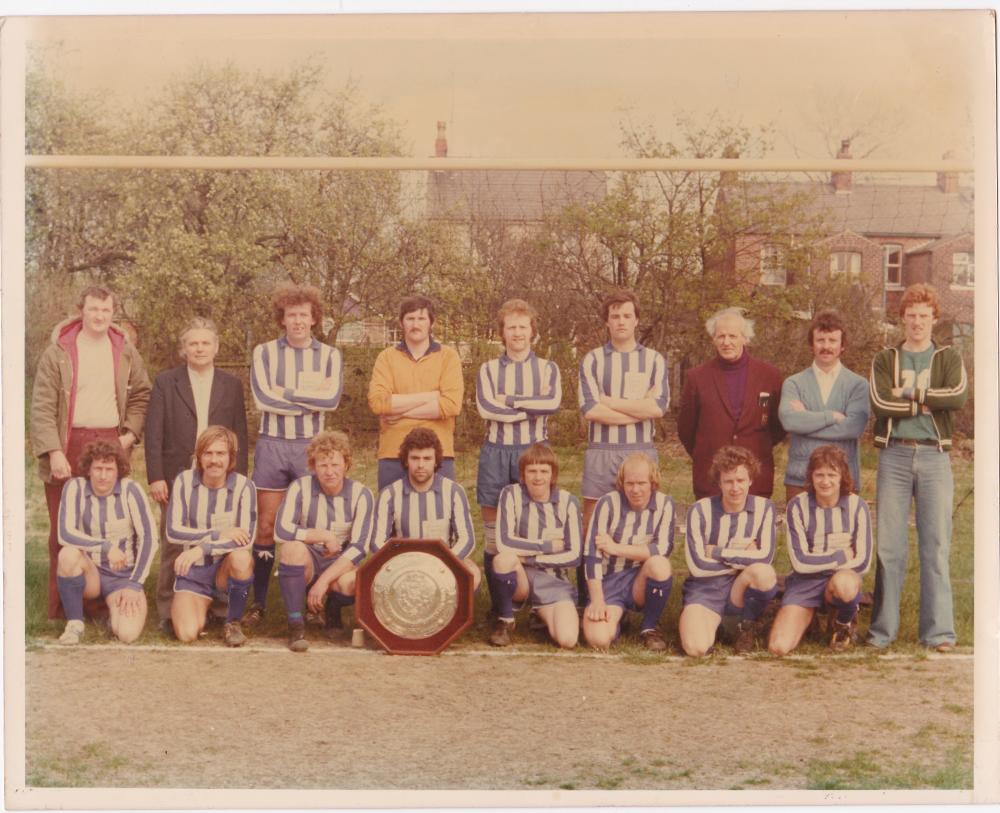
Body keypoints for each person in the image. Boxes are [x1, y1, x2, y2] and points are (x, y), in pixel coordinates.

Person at [30, 285, 151, 619]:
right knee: (63, 528)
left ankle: (103, 598)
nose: (100, 316)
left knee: (112, 523)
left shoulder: (124, 350)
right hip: (69, 441)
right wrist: (54, 451)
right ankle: (62, 609)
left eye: (106, 310)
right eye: (94, 309)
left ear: (113, 313)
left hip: (111, 439)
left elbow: (142, 393)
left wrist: (128, 436)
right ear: (80, 311)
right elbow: (41, 406)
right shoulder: (59, 351)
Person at [867, 283, 968, 652]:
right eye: (911, 316)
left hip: (934, 456)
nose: (917, 323)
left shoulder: (947, 357)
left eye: (924, 316)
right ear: (902, 318)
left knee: (935, 545)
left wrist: (910, 394)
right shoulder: (885, 358)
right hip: (894, 454)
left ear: (934, 319)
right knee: (890, 546)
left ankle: (938, 632)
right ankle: (882, 631)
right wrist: (923, 407)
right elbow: (880, 402)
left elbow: (956, 396)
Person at [144, 316, 248, 637]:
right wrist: (156, 476)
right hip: (177, 472)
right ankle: (167, 606)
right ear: (183, 349)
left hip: (219, 471)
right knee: (174, 539)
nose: (199, 348)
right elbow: (153, 433)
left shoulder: (231, 385)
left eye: (205, 343)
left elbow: (240, 432)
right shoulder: (166, 382)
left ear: (215, 347)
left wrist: (237, 479)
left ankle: (219, 606)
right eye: (193, 343)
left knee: (220, 534)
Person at [246, 283, 342, 626]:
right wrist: (306, 397)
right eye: (291, 315)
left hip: (310, 447)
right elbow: (263, 400)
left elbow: (330, 401)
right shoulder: (264, 352)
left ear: (314, 318)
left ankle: (314, 602)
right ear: (282, 319)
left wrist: (285, 391)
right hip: (272, 443)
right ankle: (258, 602)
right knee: (267, 525)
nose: (298, 320)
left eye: (304, 314)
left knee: (312, 524)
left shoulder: (330, 356)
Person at [578, 289, 669, 605]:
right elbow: (591, 409)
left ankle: (640, 598)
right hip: (601, 450)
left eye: (626, 315)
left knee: (641, 522)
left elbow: (657, 408)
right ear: (606, 321)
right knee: (591, 525)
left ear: (637, 320)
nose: (620, 321)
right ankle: (588, 598)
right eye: (614, 316)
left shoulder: (654, 360)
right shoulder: (592, 359)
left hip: (640, 450)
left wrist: (611, 402)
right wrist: (636, 406)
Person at [475, 298, 562, 617]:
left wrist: (509, 402)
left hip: (534, 452)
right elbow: (486, 408)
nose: (517, 333)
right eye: (511, 327)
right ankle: (501, 606)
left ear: (532, 331)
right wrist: (529, 405)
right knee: (494, 530)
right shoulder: (488, 369)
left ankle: (542, 603)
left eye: (522, 326)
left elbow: (552, 403)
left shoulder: (547, 368)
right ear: (502, 332)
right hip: (496, 452)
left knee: (538, 524)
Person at [274, 431, 375, 652]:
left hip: (338, 564)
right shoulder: (300, 487)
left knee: (353, 582)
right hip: (309, 559)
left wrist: (323, 583)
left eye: (335, 464)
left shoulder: (361, 494)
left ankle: (332, 610)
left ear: (347, 464)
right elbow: (281, 529)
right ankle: (296, 624)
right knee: (291, 549)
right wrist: (322, 535)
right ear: (313, 466)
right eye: (323, 465)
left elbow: (359, 547)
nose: (329, 472)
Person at [768, 445, 873, 656]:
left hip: (840, 579)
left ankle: (843, 623)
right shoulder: (797, 506)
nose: (825, 481)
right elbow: (799, 562)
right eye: (819, 475)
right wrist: (840, 556)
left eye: (831, 475)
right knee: (778, 647)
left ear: (842, 475)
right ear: (811, 476)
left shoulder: (857, 506)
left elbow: (863, 562)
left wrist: (826, 563)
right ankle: (810, 620)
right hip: (805, 581)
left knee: (845, 584)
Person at [55, 440, 157, 645]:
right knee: (67, 554)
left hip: (122, 576)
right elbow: (64, 534)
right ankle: (75, 623)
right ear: (88, 469)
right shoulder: (74, 487)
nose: (103, 475)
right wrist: (105, 546)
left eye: (109, 469)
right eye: (98, 468)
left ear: (118, 470)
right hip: (90, 572)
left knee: (127, 635)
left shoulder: (131, 490)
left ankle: (113, 613)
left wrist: (135, 584)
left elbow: (150, 539)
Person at [679, 446, 778, 656]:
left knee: (763, 573)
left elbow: (765, 557)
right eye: (728, 481)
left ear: (750, 480)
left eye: (741, 480)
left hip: (739, 588)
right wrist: (745, 555)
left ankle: (747, 624)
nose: (735, 488)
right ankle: (722, 626)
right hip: (705, 589)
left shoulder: (765, 508)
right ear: (719, 482)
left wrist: (718, 552)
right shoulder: (700, 510)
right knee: (696, 648)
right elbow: (697, 566)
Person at [677, 307, 785, 500]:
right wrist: (709, 453)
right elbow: (686, 430)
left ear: (745, 338)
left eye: (733, 336)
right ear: (713, 339)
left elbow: (777, 427)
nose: (726, 342)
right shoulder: (696, 378)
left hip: (755, 479)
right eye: (721, 336)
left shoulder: (770, 376)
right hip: (711, 479)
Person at [166, 426, 257, 646]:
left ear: (231, 457)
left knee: (242, 557)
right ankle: (205, 608)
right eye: (208, 453)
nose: (214, 460)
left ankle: (232, 621)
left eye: (220, 454)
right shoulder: (184, 481)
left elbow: (247, 538)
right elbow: (173, 531)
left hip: (224, 570)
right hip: (194, 571)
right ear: (199, 457)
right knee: (187, 634)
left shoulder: (245, 486)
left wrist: (203, 548)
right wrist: (217, 534)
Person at [490, 443, 582, 649]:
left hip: (553, 581)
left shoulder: (568, 502)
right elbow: (504, 542)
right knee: (503, 559)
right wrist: (546, 545)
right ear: (522, 474)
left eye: (544, 471)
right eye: (531, 471)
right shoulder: (510, 494)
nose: (538, 477)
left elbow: (574, 555)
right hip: (520, 577)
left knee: (567, 640)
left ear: (553, 475)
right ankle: (506, 619)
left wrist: (531, 558)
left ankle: (540, 615)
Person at [368, 295, 463, 491]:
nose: (415, 324)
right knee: (391, 517)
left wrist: (400, 412)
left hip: (439, 453)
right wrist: (432, 395)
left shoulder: (448, 357)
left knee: (440, 516)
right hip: (393, 451)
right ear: (401, 322)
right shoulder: (386, 358)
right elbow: (379, 403)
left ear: (431, 323)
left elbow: (451, 405)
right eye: (410, 318)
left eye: (421, 318)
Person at [582, 453, 675, 651]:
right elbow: (591, 555)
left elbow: (663, 548)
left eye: (641, 483)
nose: (635, 490)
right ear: (622, 483)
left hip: (638, 580)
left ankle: (649, 627)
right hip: (609, 581)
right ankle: (617, 617)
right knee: (599, 640)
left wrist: (615, 548)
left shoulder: (665, 504)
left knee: (659, 564)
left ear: (653, 482)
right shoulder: (607, 503)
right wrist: (597, 599)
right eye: (630, 483)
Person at [370, 427, 481, 588]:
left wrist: (444, 562)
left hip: (444, 563)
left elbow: (467, 539)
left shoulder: (453, 491)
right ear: (406, 460)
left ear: (436, 461)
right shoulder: (390, 494)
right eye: (415, 458)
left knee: (473, 574)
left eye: (427, 458)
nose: (421, 465)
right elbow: (376, 542)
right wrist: (402, 564)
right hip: (403, 565)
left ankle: (457, 612)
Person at [778, 310, 869, 503]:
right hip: (800, 478)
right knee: (801, 533)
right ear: (811, 344)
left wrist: (807, 420)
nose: (826, 346)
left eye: (832, 340)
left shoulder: (858, 385)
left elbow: (853, 428)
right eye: (820, 340)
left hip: (843, 479)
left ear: (842, 345)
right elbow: (789, 421)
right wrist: (831, 417)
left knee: (841, 534)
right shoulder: (794, 383)